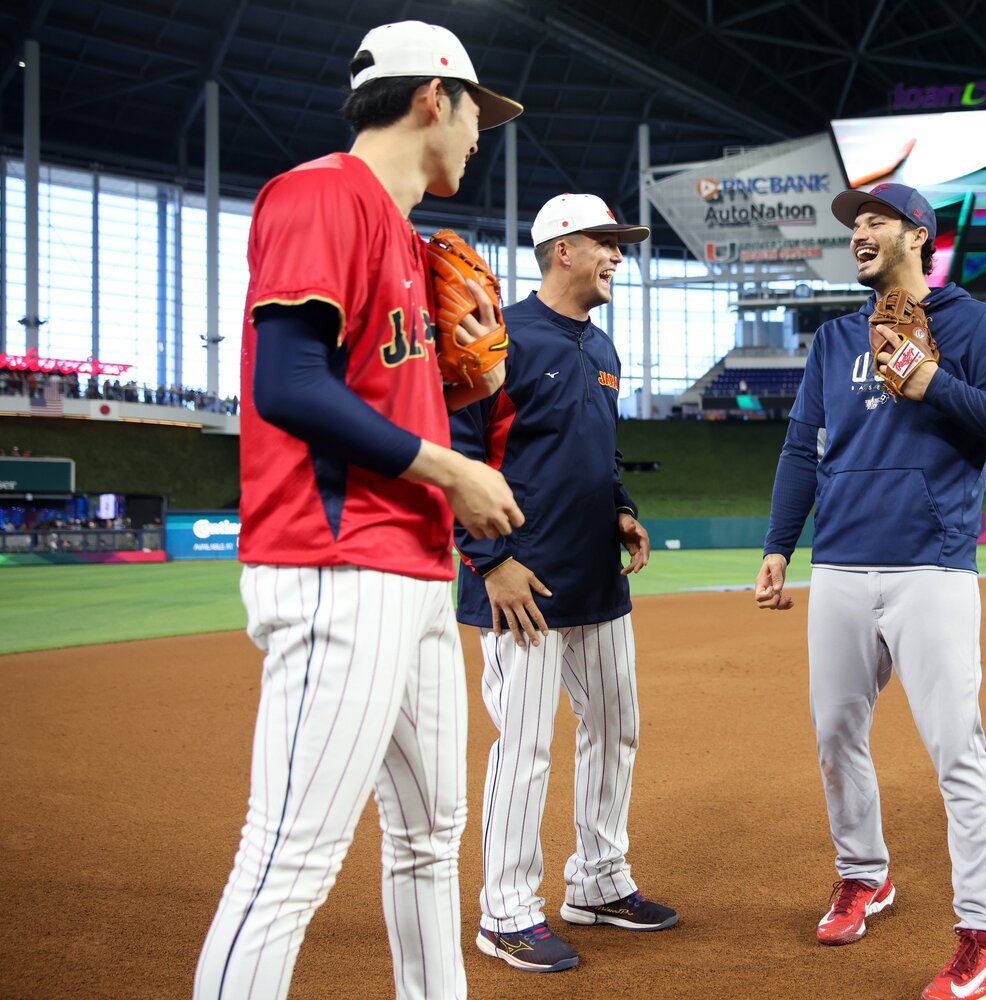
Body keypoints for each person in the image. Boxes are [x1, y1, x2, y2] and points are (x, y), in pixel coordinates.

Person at [194, 21, 525, 1000]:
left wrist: (463, 387)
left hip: (413, 572)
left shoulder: (409, 243)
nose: (480, 135)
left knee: (430, 835)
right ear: (433, 99)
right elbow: (287, 383)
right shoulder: (321, 194)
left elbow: (377, 389)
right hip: (340, 566)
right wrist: (451, 471)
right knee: (288, 855)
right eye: (477, 114)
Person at [754, 182, 986, 1000]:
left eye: (876, 220)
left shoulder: (974, 326)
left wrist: (931, 383)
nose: (860, 232)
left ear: (920, 235)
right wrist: (781, 544)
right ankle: (864, 876)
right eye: (854, 223)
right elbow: (800, 450)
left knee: (958, 751)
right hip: (840, 566)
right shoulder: (834, 338)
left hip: (933, 565)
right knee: (834, 736)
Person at [449, 192, 676, 976]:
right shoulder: (496, 336)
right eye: (606, 243)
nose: (618, 256)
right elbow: (453, 454)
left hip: (596, 579)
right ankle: (506, 913)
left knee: (615, 726)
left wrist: (622, 510)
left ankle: (599, 881)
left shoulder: (604, 347)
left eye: (619, 244)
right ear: (562, 249)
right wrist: (490, 560)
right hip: (521, 583)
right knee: (526, 747)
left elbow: (598, 454)